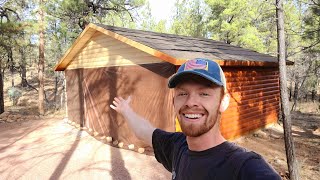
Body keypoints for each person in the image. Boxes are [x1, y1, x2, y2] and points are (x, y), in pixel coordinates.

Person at [110, 58, 281, 180]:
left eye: (204, 93)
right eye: (183, 93)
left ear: (223, 102)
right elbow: (144, 131)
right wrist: (126, 110)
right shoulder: (177, 146)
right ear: (174, 102)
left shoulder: (244, 167)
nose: (191, 102)